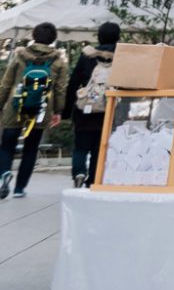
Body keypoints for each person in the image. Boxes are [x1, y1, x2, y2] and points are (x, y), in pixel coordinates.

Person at [0, 22, 69, 198]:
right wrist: (58, 112)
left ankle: (4, 173)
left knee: (7, 145)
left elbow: (6, 84)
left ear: (34, 36)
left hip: (15, 106)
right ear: (53, 39)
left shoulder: (19, 57)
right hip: (41, 108)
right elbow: (60, 90)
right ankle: (19, 188)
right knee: (31, 148)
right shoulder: (58, 62)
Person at [63, 21, 118, 188]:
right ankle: (93, 179)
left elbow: (74, 82)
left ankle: (79, 172)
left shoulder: (87, 56)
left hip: (85, 109)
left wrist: (66, 111)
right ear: (118, 37)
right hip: (109, 108)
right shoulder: (122, 57)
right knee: (98, 148)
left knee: (81, 146)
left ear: (99, 36)